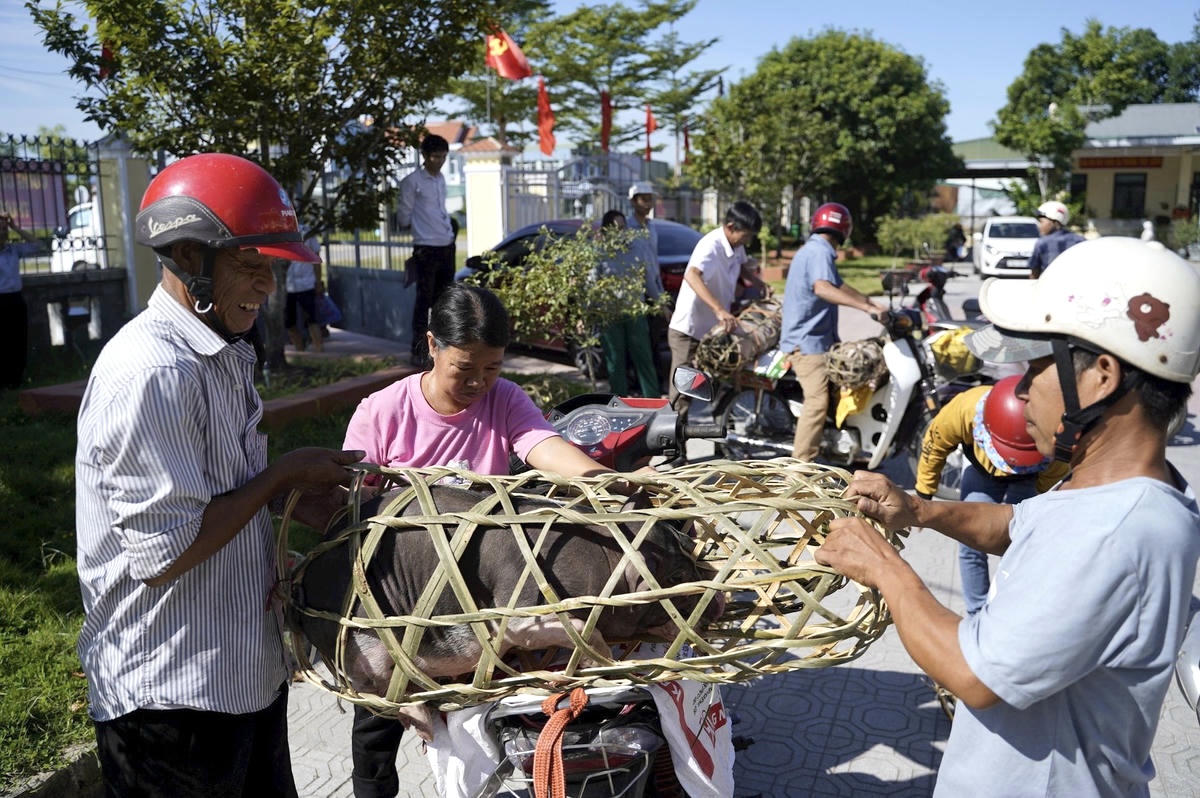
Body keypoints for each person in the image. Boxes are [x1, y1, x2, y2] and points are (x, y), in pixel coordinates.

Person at [815, 237, 1200, 797]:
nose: (1019, 388)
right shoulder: (1109, 488)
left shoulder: (1116, 533)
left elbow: (973, 673)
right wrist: (918, 509)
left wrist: (885, 569)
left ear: (1101, 375)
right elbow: (1017, 524)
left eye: (1039, 366)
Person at [75, 153, 365, 798]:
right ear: (186, 255)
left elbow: (214, 496)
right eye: (249, 263)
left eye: (272, 267)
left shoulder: (221, 352)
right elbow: (167, 548)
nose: (266, 285)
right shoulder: (153, 373)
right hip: (170, 698)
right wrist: (277, 478)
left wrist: (290, 503)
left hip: (240, 676)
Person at [342, 282, 618, 798]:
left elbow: (540, 444)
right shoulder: (380, 413)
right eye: (464, 370)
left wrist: (601, 480)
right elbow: (351, 511)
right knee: (375, 733)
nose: (478, 383)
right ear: (432, 346)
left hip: (478, 606)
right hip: (396, 607)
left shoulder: (506, 400)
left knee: (493, 728)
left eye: (491, 369)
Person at [915, 375, 1070, 615]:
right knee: (970, 541)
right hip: (981, 472)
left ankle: (1013, 610)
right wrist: (924, 493)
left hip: (1030, 479)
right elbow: (934, 445)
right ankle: (977, 613)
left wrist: (1040, 510)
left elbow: (1051, 483)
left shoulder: (1054, 433)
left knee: (1022, 544)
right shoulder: (964, 409)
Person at [779, 202, 887, 461]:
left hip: (818, 341)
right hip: (807, 344)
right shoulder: (820, 252)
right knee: (817, 403)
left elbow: (839, 285)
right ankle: (800, 466)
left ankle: (844, 449)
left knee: (848, 383)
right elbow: (823, 288)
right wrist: (865, 307)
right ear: (844, 230)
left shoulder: (816, 249)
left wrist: (871, 304)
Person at [667, 200, 766, 412]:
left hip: (711, 331)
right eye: (746, 235)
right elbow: (692, 275)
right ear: (731, 227)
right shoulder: (710, 246)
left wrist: (759, 284)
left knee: (718, 382)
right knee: (682, 396)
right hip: (688, 331)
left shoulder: (735, 245)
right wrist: (719, 310)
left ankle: (719, 437)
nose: (747, 240)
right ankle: (670, 443)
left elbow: (741, 267)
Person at [397, 134, 456, 368]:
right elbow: (403, 215)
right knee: (423, 302)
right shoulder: (413, 181)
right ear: (424, 156)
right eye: (435, 157)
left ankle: (443, 348)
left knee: (444, 302)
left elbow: (440, 209)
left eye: (443, 157)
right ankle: (418, 350)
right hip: (426, 247)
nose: (439, 161)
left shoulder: (441, 179)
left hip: (446, 244)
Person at [595, 210, 660, 397]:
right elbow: (592, 283)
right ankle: (619, 405)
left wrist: (660, 304)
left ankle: (653, 402)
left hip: (634, 313)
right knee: (615, 363)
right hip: (610, 315)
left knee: (644, 360)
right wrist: (586, 312)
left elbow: (648, 280)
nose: (620, 232)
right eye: (615, 229)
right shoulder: (600, 252)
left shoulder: (636, 249)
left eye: (623, 228)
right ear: (606, 231)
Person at [628, 181, 667, 391]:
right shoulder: (627, 228)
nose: (648, 203)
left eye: (650, 198)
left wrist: (660, 294)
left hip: (655, 289)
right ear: (634, 201)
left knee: (653, 343)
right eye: (644, 199)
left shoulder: (651, 227)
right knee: (639, 346)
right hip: (637, 295)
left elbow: (653, 263)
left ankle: (653, 387)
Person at [0, 213, 42, 389]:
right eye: (0, 229)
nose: (3, 232)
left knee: (18, 340)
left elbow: (37, 245)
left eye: (4, 229)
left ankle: (16, 379)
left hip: (16, 299)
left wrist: (15, 228)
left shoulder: (13, 250)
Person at [284, 232, 323, 352]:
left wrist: (318, 281)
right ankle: (300, 350)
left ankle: (319, 351)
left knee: (312, 319)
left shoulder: (309, 232)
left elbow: (316, 260)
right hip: (287, 285)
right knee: (289, 322)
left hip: (307, 283)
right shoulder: (279, 231)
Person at [1027, 200, 1084, 279]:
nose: (1039, 226)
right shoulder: (1081, 241)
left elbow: (1034, 273)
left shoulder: (1042, 243)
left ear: (1054, 222)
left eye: (1041, 222)